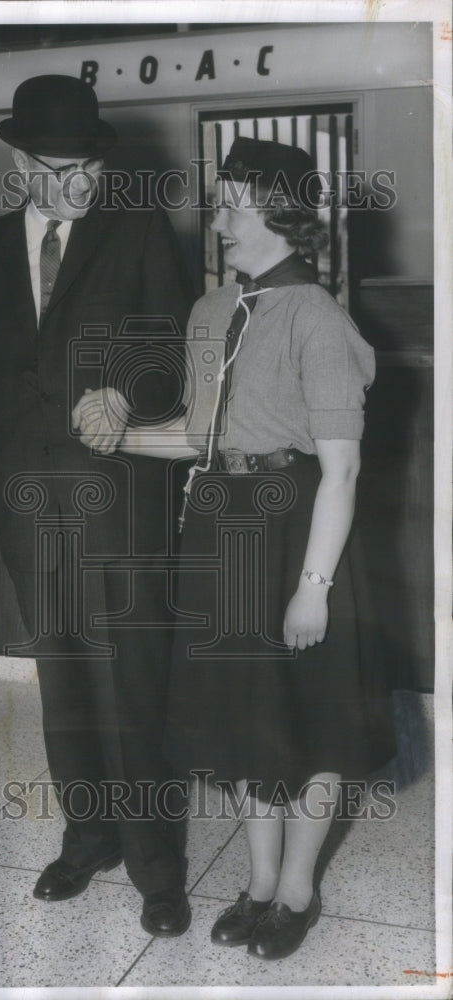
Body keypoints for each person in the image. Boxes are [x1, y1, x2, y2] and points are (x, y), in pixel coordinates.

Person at [0, 75, 195, 936]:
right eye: (58, 169)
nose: (78, 185)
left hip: (121, 495)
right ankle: (87, 836)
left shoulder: (138, 230)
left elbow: (176, 346)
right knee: (62, 674)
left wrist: (124, 394)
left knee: (133, 680)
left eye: (89, 169)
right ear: (19, 161)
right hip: (24, 499)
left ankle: (156, 867)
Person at [114, 137, 395, 959]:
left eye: (233, 205)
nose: (218, 221)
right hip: (222, 525)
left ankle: (299, 890)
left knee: (310, 720)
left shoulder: (318, 318)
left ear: (279, 216)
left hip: (296, 525)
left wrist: (313, 586)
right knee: (243, 718)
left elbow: (340, 472)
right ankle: (260, 880)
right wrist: (121, 433)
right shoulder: (210, 313)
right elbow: (201, 438)